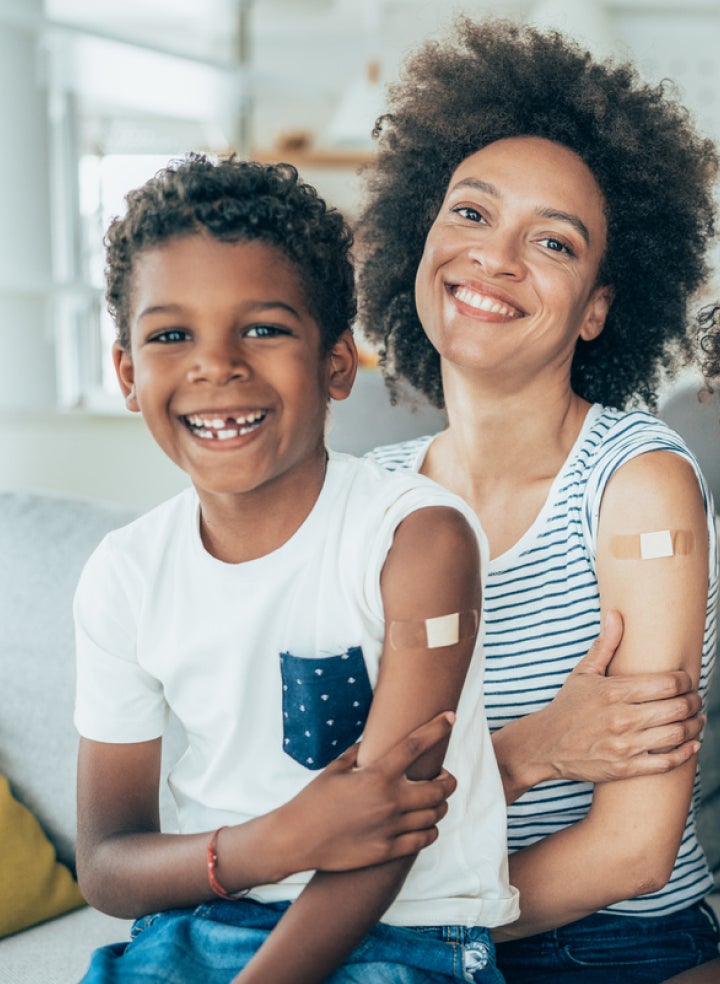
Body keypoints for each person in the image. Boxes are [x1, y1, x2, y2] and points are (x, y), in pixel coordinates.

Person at [73, 154, 519, 984]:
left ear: (337, 364)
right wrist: (276, 841)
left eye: (264, 328)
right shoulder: (123, 575)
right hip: (198, 924)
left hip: (400, 939)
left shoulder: (419, 542)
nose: (217, 366)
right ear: (129, 373)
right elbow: (106, 865)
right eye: (172, 335)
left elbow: (388, 828)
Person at [357, 18, 720, 983]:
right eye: (470, 214)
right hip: (408, 933)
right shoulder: (372, 500)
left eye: (552, 241)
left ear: (599, 305)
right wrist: (531, 749)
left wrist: (402, 925)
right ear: (419, 237)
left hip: (614, 943)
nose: (496, 257)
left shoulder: (638, 485)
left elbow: (633, 850)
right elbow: (338, 802)